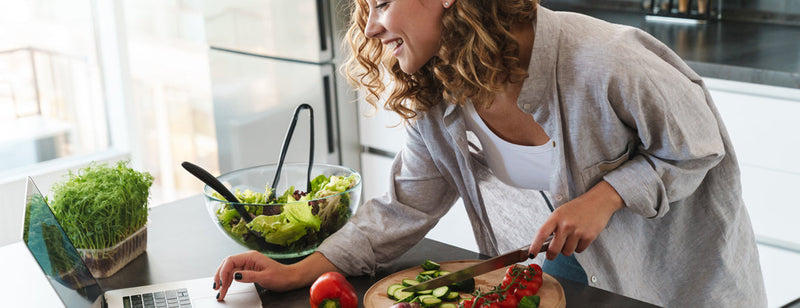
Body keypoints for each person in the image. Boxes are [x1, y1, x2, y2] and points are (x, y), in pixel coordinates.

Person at [213, 0, 767, 306]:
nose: (372, 26)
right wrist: (298, 271)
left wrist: (606, 196)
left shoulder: (606, 60)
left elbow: (698, 149)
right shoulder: (437, 92)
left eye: (381, 2)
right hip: (558, 290)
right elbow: (404, 208)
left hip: (678, 293)